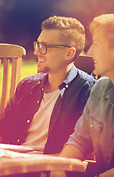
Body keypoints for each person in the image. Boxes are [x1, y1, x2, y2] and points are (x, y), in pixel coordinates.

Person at [0, 16, 96, 154]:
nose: (37, 52)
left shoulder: (89, 92)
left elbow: (83, 149)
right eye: (38, 45)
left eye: (45, 47)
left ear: (69, 53)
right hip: (12, 165)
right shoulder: (27, 85)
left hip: (50, 168)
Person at [59, 14, 114, 176]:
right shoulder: (100, 89)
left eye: (96, 44)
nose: (90, 51)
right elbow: (80, 141)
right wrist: (60, 166)